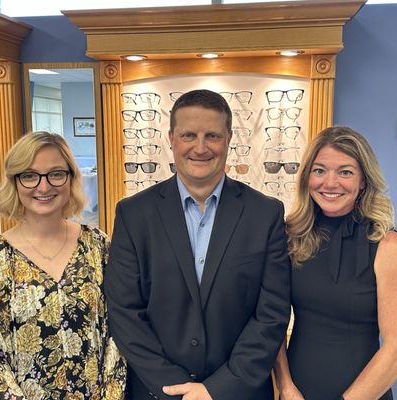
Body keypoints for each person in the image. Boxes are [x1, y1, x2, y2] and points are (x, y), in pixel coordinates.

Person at [105, 89, 291, 400]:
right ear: (171, 138)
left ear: (229, 138)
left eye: (212, 136)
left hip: (239, 392)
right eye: (189, 135)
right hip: (158, 393)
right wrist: (175, 390)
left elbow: (271, 313)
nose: (200, 147)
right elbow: (124, 312)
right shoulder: (133, 214)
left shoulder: (265, 214)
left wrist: (217, 390)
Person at [0, 131, 126, 400]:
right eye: (29, 175)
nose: (43, 187)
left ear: (71, 178)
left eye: (56, 174)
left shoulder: (98, 246)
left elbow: (118, 333)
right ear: (15, 182)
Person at [274, 126, 397, 400]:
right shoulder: (290, 237)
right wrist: (286, 388)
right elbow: (271, 322)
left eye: (345, 172)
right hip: (296, 393)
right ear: (306, 177)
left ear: (363, 180)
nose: (330, 183)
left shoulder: (388, 245)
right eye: (319, 170)